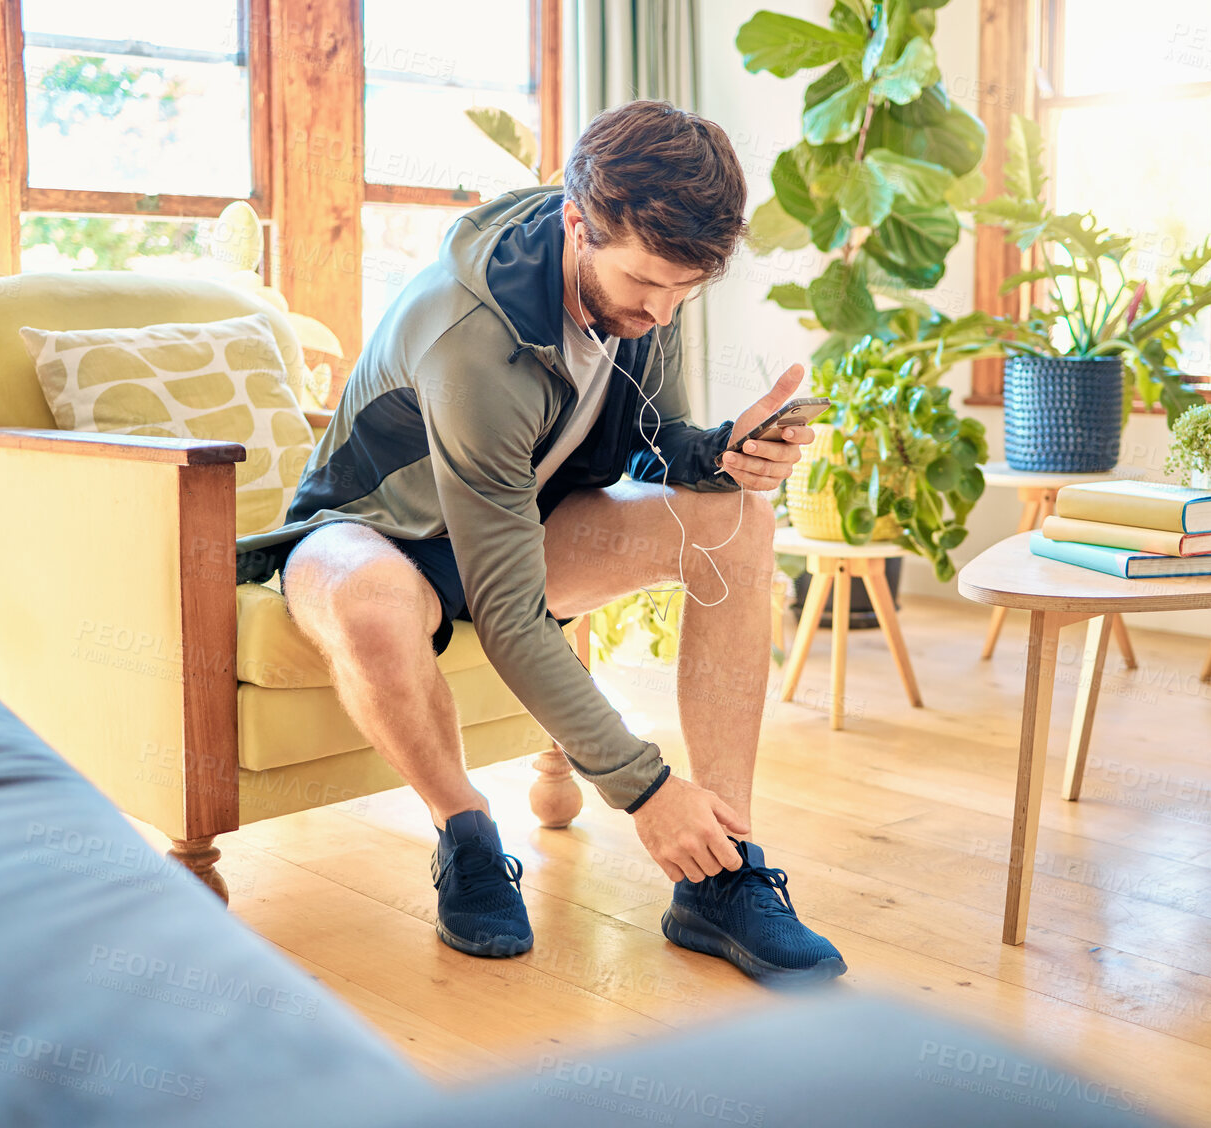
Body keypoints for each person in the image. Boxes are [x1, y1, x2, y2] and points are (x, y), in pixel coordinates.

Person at [235, 100, 845, 984]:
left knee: (732, 519)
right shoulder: (472, 336)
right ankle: (465, 833)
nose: (664, 314)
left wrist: (720, 454)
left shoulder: (637, 279)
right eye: (646, 286)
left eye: (685, 290)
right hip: (370, 530)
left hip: (519, 513)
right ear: (577, 225)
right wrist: (646, 790)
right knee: (371, 606)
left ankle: (722, 871)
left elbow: (637, 436)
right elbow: (512, 612)